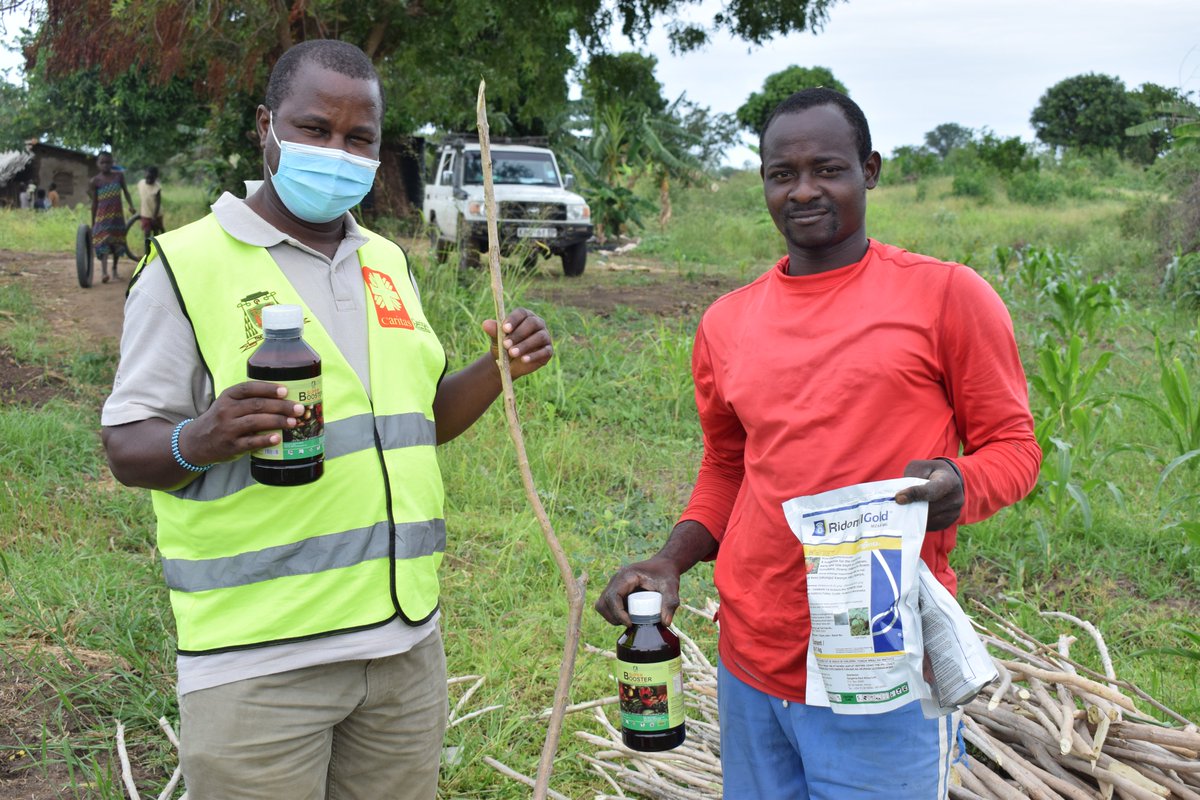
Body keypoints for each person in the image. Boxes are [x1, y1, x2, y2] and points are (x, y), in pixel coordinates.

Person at [100, 39, 553, 800]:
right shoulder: (187, 265)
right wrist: (200, 437)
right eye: (315, 129)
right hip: (259, 662)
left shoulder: (387, 261)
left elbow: (420, 420)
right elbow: (125, 447)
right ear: (266, 126)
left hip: (404, 649)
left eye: (359, 138)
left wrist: (501, 368)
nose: (337, 153)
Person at [594, 88, 1042, 800]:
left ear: (870, 170)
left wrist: (964, 483)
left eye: (827, 169)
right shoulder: (726, 323)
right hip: (753, 656)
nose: (804, 191)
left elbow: (1015, 447)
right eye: (783, 173)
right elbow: (728, 467)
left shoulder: (947, 297)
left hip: (883, 663)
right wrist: (671, 559)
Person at [89, 151, 135, 282]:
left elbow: (126, 192)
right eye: (102, 162)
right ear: (98, 164)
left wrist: (131, 205)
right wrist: (93, 222)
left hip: (117, 216)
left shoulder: (119, 176)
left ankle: (114, 269)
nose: (105, 165)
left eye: (108, 162)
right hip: (102, 218)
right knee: (104, 242)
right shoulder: (95, 181)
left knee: (118, 242)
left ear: (112, 163)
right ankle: (104, 272)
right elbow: (94, 203)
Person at [137, 165, 164, 253]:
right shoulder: (141, 183)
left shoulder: (157, 188)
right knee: (147, 233)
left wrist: (154, 217)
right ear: (145, 175)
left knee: (156, 233)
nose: (149, 180)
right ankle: (147, 252)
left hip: (156, 214)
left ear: (156, 178)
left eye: (151, 178)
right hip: (145, 214)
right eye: (147, 177)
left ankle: (156, 251)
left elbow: (158, 203)